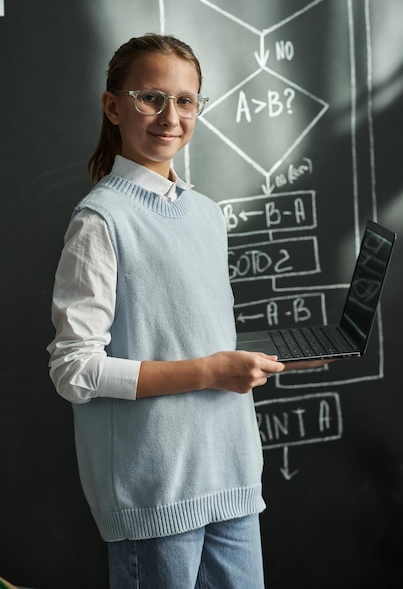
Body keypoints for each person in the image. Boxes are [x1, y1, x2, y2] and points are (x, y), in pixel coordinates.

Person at [47, 34, 323, 589]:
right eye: (151, 97)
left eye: (186, 100)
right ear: (113, 106)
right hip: (155, 494)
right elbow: (73, 370)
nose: (169, 116)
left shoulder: (204, 214)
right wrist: (209, 372)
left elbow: (189, 333)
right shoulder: (101, 220)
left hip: (233, 476)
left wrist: (264, 360)